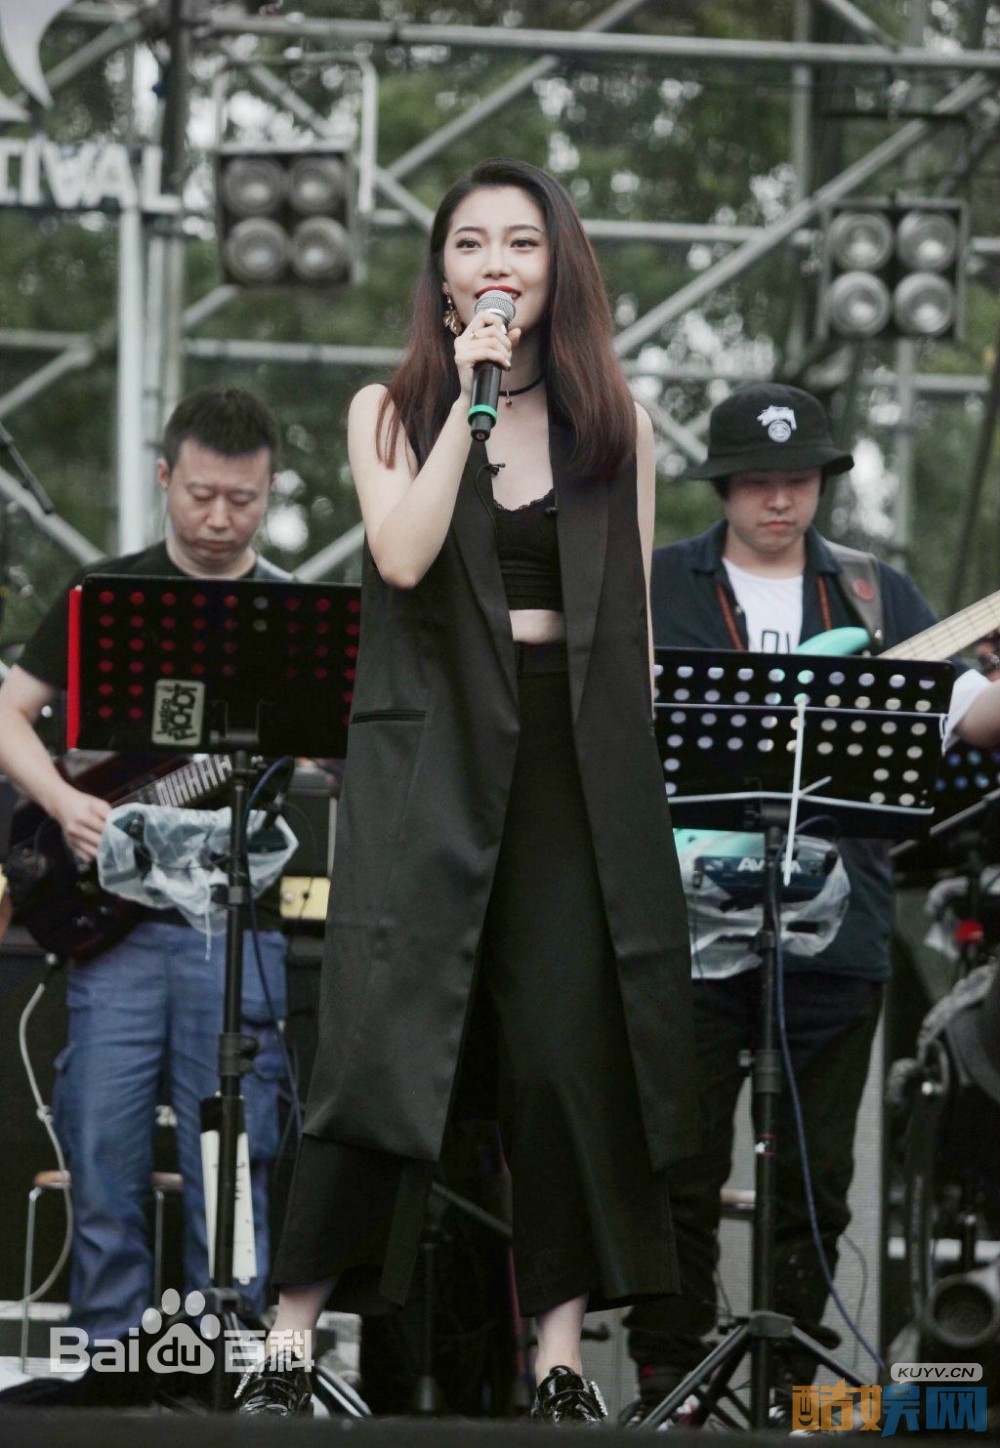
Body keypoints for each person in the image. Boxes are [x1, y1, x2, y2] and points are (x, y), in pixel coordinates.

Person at [235, 157, 699, 1423]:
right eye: (471, 243)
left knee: (562, 1053)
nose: (497, 262)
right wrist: (470, 404)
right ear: (441, 273)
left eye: (522, 242)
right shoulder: (389, 410)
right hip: (431, 745)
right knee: (382, 1036)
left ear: (561, 266)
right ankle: (288, 1337)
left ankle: (559, 1358)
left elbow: (633, 627)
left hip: (570, 755)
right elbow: (401, 552)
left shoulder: (617, 426)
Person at [622, 380, 1000, 1422]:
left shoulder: (877, 596)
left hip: (836, 931)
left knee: (816, 1178)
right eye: (757, 483)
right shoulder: (658, 584)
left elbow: (977, 720)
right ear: (724, 488)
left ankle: (787, 1385)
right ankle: (666, 1378)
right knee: (675, 1161)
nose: (780, 501)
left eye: (798, 481)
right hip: (681, 927)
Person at [0, 385, 290, 1349]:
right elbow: (9, 712)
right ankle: (107, 1353)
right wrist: (63, 802)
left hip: (228, 923)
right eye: (201, 494)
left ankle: (232, 1352)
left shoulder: (291, 614)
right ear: (164, 477)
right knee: (102, 1140)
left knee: (234, 1150)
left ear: (270, 492)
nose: (220, 518)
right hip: (112, 923)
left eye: (243, 500)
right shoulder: (105, 593)